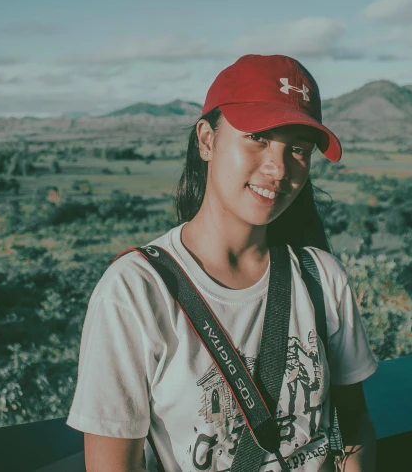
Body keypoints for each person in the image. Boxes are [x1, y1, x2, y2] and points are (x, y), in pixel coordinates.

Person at [66, 54, 379, 472]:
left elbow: (352, 422)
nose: (278, 168)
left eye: (299, 150)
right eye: (259, 138)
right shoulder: (136, 291)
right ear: (207, 140)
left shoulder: (321, 277)